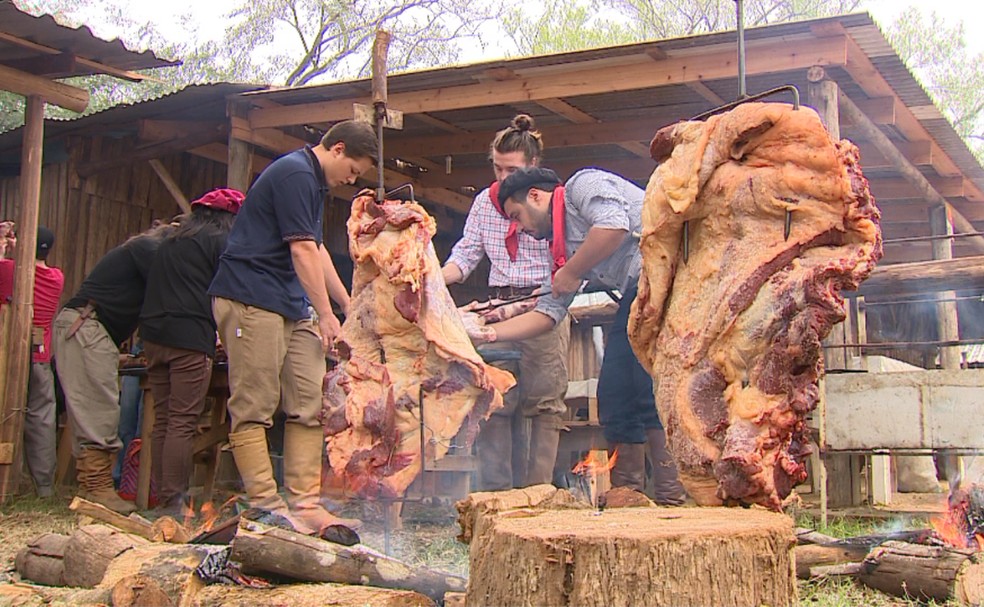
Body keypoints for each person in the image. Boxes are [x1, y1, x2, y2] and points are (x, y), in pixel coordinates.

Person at [464, 166, 687, 505]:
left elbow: (613, 226)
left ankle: (673, 499)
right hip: (641, 291)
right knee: (614, 393)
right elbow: (546, 314)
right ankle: (631, 498)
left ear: (536, 196)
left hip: (667, 274)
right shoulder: (563, 248)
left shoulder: (583, 185)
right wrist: (486, 334)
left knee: (645, 390)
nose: (519, 227)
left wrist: (571, 271)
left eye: (517, 215)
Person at [209, 121, 376, 533]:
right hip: (251, 296)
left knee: (307, 402)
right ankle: (265, 505)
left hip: (289, 302)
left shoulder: (314, 185)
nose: (351, 180)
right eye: (353, 170)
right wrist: (324, 314)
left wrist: (345, 303)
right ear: (337, 149)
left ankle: (304, 505)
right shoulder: (296, 172)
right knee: (255, 405)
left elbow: (316, 247)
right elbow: (300, 248)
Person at [441, 114, 569, 490]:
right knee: (496, 399)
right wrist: (433, 275)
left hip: (544, 306)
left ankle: (538, 493)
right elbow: (467, 254)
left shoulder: (548, 200)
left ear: (532, 167)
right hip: (499, 307)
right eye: (497, 168)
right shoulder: (484, 202)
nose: (501, 177)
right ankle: (498, 493)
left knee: (545, 402)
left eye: (510, 169)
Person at [52, 222, 174, 513]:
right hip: (87, 326)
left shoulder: (145, 252)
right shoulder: (146, 248)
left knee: (98, 409)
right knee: (99, 411)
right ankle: (98, 489)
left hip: (95, 331)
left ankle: (96, 488)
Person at [139, 188, 243, 515]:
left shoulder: (170, 241)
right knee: (183, 422)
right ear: (229, 218)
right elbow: (230, 295)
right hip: (189, 337)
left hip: (154, 335)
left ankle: (163, 500)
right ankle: (173, 503)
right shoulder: (220, 243)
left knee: (164, 421)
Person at [0, 227, 64, 497]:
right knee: (42, 419)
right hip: (40, 355)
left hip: (8, 356)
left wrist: (4, 246)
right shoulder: (56, 277)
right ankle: (44, 487)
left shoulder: (9, 270)